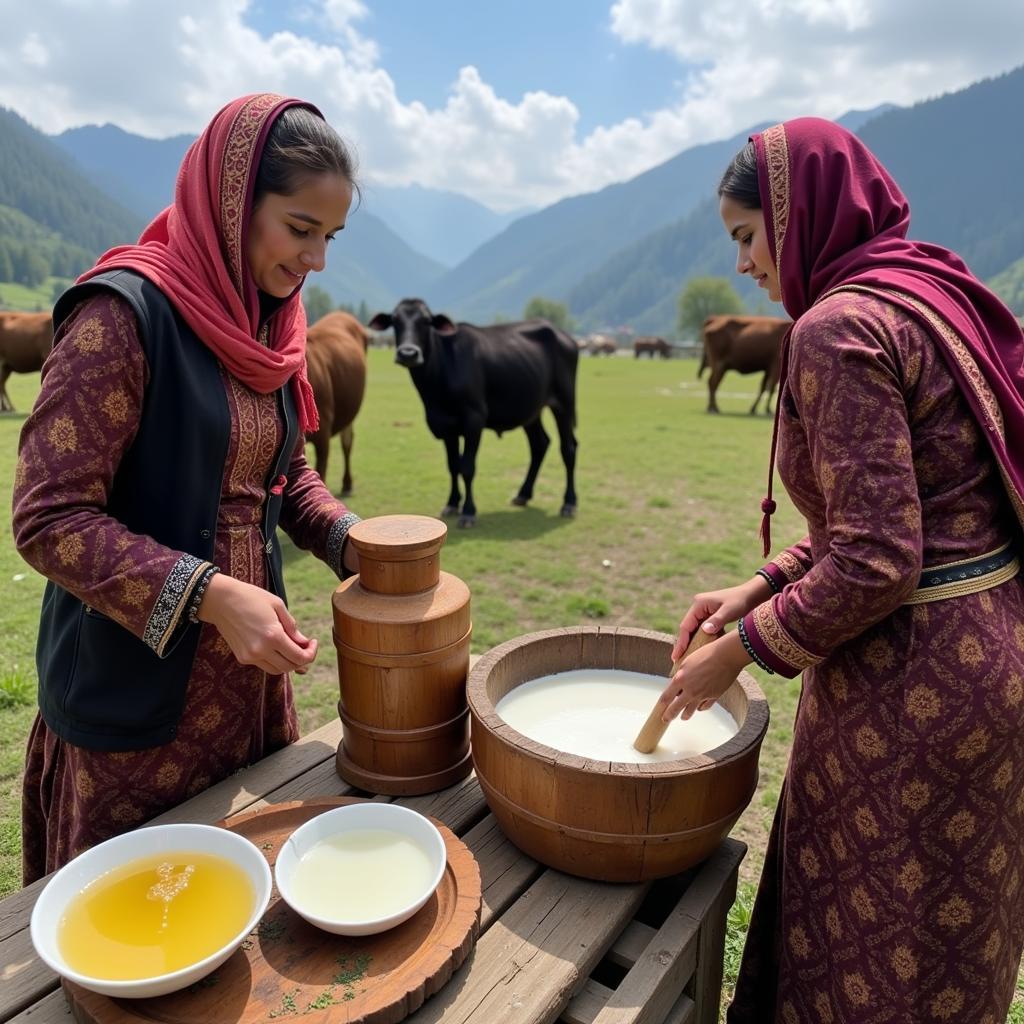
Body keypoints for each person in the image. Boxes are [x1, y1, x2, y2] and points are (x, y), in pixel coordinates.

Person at [658, 117, 1024, 1022]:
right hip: (994, 661)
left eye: (747, 236)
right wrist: (765, 581)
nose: (743, 264)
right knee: (949, 923)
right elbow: (920, 514)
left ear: (797, 215)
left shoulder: (836, 327)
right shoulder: (932, 294)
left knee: (872, 935)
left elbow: (877, 559)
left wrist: (739, 646)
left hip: (908, 688)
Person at [13, 93, 364, 885]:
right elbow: (49, 516)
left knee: (239, 904)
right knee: (132, 929)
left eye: (331, 237)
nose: (317, 262)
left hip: (247, 686)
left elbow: (280, 471)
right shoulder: (121, 317)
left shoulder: (269, 327)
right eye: (300, 230)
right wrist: (209, 594)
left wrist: (350, 539)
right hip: (134, 701)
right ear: (233, 203)